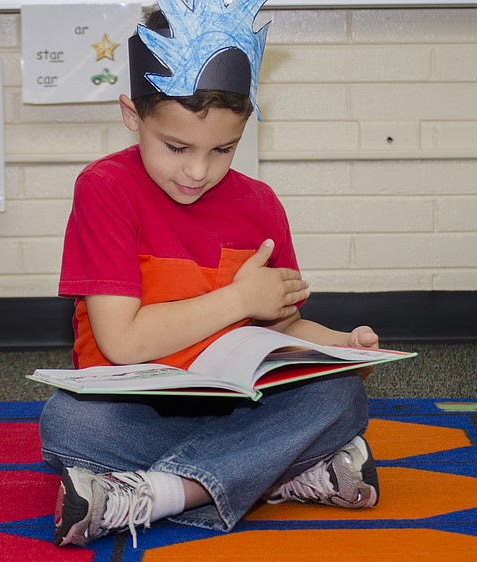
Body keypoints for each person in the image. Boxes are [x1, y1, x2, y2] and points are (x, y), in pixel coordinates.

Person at [39, 0, 381, 549]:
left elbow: (280, 330)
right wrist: (241, 298)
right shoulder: (104, 189)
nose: (198, 171)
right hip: (134, 411)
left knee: (339, 398)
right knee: (67, 424)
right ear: (133, 114)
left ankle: (150, 494)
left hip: (239, 408)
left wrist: (342, 348)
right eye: (177, 147)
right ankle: (282, 474)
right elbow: (122, 342)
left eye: (223, 149)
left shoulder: (260, 204)